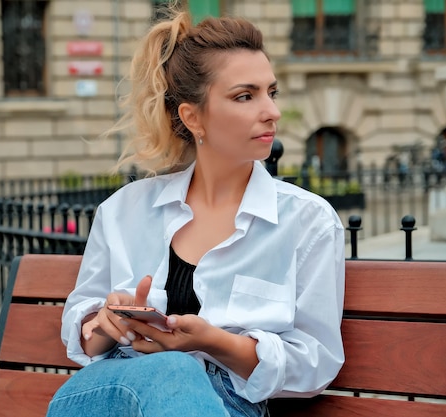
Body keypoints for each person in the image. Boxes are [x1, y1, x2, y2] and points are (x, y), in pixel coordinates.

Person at [46, 8, 345, 417]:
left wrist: (212, 342)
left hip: (229, 404)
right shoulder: (124, 211)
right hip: (113, 390)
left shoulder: (307, 221)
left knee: (177, 372)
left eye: (270, 92)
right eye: (245, 95)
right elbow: (83, 336)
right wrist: (106, 322)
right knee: (170, 370)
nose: (271, 111)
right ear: (193, 117)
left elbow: (315, 364)